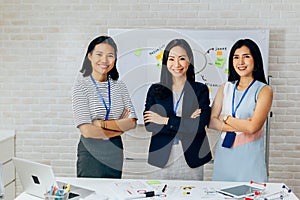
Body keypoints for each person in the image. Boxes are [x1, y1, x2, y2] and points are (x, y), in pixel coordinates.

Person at [143, 39, 212, 180]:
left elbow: (199, 126)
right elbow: (150, 125)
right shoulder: (155, 90)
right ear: (165, 62)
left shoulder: (200, 90)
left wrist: (164, 120)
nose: (176, 64)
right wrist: (186, 123)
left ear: (190, 60)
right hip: (161, 160)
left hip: (193, 159)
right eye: (171, 59)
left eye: (182, 58)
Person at [72, 36, 137, 178]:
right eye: (99, 54)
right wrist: (118, 129)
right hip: (91, 152)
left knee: (113, 192)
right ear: (89, 56)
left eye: (110, 56)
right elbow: (87, 131)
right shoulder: (81, 86)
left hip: (115, 151)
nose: (105, 60)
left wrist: (101, 124)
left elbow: (132, 122)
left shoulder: (119, 86)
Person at [209, 39, 273, 182]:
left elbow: (253, 127)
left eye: (246, 56)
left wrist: (226, 118)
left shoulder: (264, 90)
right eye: (236, 57)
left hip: (249, 159)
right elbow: (211, 122)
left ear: (255, 60)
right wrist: (242, 124)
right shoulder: (225, 87)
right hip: (224, 157)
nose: (240, 62)